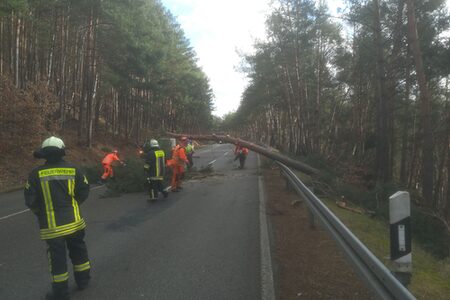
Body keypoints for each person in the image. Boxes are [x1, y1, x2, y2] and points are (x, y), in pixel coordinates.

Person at [24, 136, 91, 300]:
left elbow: (30, 201)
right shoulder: (74, 170)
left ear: (44, 154)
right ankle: (83, 281)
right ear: (62, 152)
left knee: (57, 259)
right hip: (75, 223)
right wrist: (75, 204)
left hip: (52, 228)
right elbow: (84, 190)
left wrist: (41, 213)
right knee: (79, 250)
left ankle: (60, 293)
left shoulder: (34, 175)